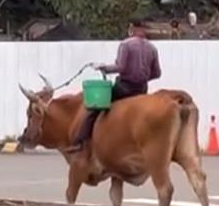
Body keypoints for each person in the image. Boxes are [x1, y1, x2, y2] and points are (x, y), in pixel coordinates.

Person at [65, 19, 161, 154]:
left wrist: (103, 67)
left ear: (132, 28)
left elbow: (120, 67)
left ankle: (80, 142)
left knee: (94, 109)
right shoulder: (152, 48)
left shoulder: (126, 45)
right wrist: (143, 77)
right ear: (144, 30)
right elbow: (157, 73)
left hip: (124, 88)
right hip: (141, 90)